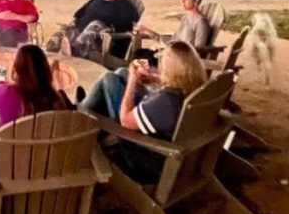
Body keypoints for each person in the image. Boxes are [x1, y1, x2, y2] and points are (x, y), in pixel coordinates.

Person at [80, 41, 207, 182]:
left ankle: (80, 116)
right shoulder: (194, 89)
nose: (159, 65)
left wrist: (133, 81)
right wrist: (155, 79)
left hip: (142, 157)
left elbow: (125, 121)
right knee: (122, 73)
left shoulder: (166, 101)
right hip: (168, 148)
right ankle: (84, 107)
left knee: (109, 79)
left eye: (162, 61)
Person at [0, 44, 68, 127]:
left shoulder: (8, 93)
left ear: (17, 68)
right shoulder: (57, 99)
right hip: (51, 152)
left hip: (12, 152)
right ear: (45, 69)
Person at [45, 0, 140, 58]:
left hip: (102, 41)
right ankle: (47, 57)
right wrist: (72, 24)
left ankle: (74, 53)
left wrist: (109, 29)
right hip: (79, 32)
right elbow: (79, 14)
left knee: (95, 25)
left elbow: (128, 24)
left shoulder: (126, 6)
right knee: (60, 35)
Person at [135, 0, 211, 50]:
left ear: (196, 1)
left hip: (184, 61)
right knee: (139, 53)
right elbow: (174, 40)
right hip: (175, 55)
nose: (182, 1)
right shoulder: (185, 19)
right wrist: (146, 31)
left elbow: (199, 49)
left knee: (140, 58)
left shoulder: (200, 23)